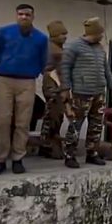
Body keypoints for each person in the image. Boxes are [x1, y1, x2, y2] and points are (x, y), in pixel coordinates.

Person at [0, 4, 48, 175]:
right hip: (5, 80)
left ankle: (18, 158)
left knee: (23, 122)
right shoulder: (4, 32)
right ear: (16, 15)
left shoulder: (41, 38)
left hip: (27, 81)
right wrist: (6, 67)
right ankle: (0, 159)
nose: (24, 17)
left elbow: (43, 60)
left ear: (33, 17)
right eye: (21, 14)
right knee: (2, 120)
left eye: (27, 14)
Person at [60, 17, 112, 168]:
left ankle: (92, 153)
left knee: (96, 125)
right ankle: (69, 155)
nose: (102, 36)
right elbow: (65, 68)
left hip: (99, 93)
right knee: (75, 125)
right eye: (100, 33)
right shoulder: (74, 46)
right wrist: (65, 89)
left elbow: (106, 69)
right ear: (94, 33)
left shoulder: (100, 48)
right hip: (81, 93)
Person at [39, 20, 69, 158]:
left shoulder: (56, 48)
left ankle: (47, 144)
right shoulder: (53, 50)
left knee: (54, 116)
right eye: (62, 34)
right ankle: (48, 146)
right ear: (54, 35)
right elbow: (57, 71)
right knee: (53, 116)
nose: (65, 37)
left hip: (55, 85)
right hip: (53, 85)